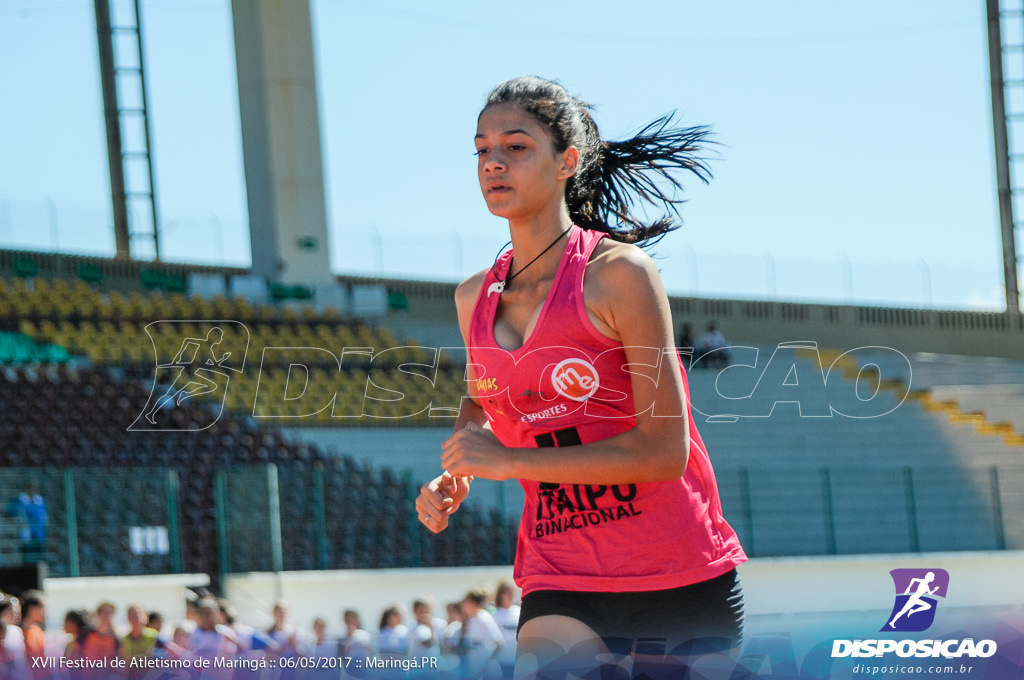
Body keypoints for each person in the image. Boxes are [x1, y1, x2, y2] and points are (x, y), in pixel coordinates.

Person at [415, 76, 747, 677]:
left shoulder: (620, 274)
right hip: (559, 569)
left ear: (567, 161)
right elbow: (481, 398)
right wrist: (459, 465)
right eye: (482, 149)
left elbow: (663, 452)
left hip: (675, 570)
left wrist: (509, 462)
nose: (493, 162)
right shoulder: (473, 297)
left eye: (516, 146)